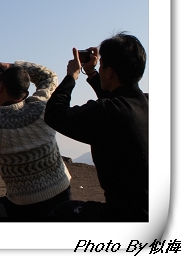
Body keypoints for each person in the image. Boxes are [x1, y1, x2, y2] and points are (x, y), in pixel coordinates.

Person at [44, 33, 148, 222]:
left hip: (124, 216)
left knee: (60, 212)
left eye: (102, 66)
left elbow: (54, 115)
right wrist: (92, 74)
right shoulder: (147, 103)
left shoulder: (107, 112)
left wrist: (71, 76)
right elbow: (117, 103)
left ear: (109, 72)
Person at [0, 61, 72, 221]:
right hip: (62, 194)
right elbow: (50, 76)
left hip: (25, 206)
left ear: (0, 88)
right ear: (25, 93)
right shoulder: (43, 108)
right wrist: (13, 66)